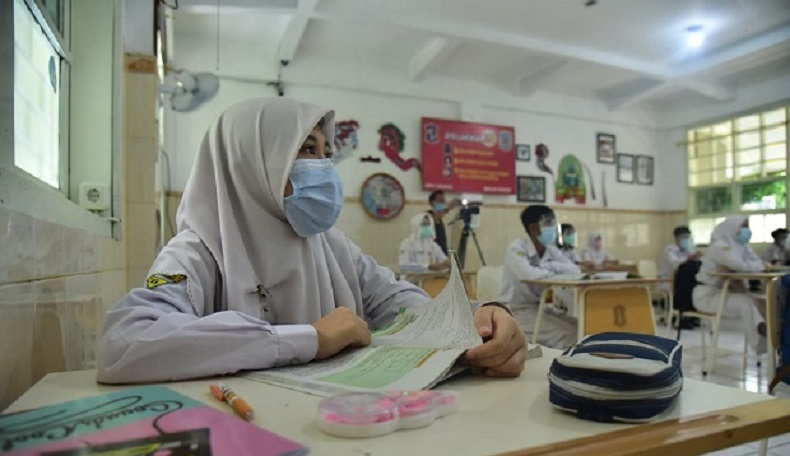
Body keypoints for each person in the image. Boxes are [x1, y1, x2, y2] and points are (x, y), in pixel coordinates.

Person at [95, 98, 526, 383]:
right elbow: (125, 341)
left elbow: (405, 305)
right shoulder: (196, 252)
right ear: (252, 164)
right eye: (304, 150)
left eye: (325, 153)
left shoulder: (331, 246)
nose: (323, 166)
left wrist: (481, 318)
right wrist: (307, 339)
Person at [501, 205, 581, 348]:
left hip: (542, 307)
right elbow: (528, 274)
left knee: (581, 325)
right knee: (569, 334)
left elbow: (575, 270)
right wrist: (555, 271)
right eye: (549, 223)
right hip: (517, 310)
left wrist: (547, 266)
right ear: (533, 228)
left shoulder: (550, 250)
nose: (554, 228)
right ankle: (561, 367)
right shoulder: (517, 247)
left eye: (553, 223)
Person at [693, 216, 767, 353]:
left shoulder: (742, 247)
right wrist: (757, 266)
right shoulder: (720, 247)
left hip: (726, 293)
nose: (746, 230)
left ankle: (772, 335)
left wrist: (755, 265)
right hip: (707, 295)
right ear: (732, 228)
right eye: (743, 226)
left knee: (763, 302)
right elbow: (740, 265)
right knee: (745, 303)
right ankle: (762, 342)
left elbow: (758, 263)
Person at [427, 190, 460, 255]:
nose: (442, 203)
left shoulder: (440, 218)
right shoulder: (427, 215)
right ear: (431, 202)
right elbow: (434, 219)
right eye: (440, 200)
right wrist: (448, 208)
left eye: (444, 201)